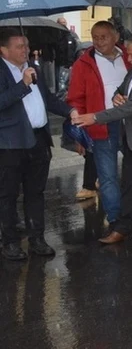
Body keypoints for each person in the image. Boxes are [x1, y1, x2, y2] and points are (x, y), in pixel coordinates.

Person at [75, 35, 132, 244]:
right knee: (129, 185)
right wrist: (116, 96)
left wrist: (95, 117)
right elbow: (121, 92)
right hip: (131, 139)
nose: (129, 58)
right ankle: (123, 227)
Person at [1, 29, 76, 260]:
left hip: (39, 140)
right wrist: (22, 84)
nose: (25, 50)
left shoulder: (34, 68)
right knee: (7, 195)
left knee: (36, 192)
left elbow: (47, 98)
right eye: (19, 46)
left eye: (26, 45)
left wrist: (69, 111)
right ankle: (10, 242)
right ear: (3, 50)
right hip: (10, 144)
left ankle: (37, 239)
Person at [67, 21, 130, 230]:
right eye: (95, 37)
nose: (99, 41)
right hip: (101, 125)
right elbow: (75, 99)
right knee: (107, 176)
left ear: (115, 38)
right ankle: (115, 222)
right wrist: (79, 133)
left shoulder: (129, 57)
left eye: (104, 37)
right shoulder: (83, 64)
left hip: (130, 124)